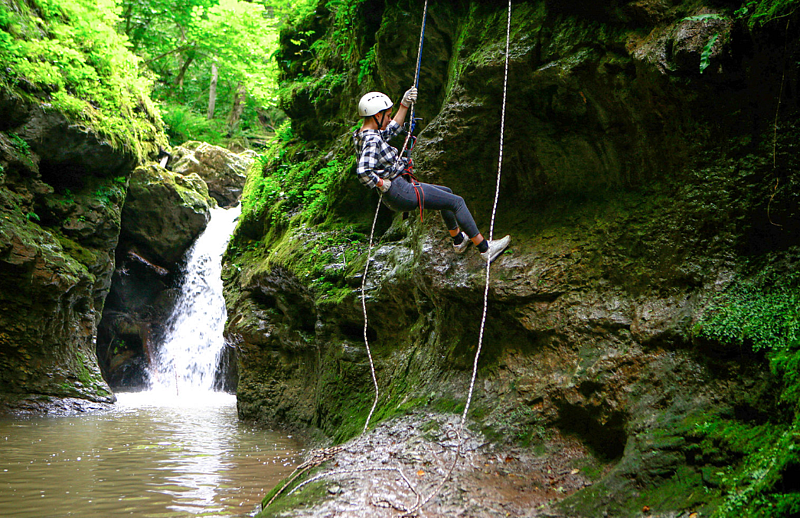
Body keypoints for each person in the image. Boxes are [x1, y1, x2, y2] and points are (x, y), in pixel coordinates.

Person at [353, 88, 511, 263]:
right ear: (377, 115)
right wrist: (382, 183)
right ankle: (485, 249)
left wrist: (404, 104)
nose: (390, 118)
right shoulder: (372, 140)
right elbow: (363, 171)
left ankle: (459, 240)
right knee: (457, 202)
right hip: (399, 190)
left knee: (447, 193)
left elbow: (392, 129)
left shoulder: (365, 134)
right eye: (388, 115)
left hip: (396, 191)